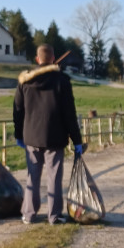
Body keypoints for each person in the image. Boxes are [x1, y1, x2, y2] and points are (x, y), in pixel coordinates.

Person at [13, 43, 83, 224]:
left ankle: (29, 214)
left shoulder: (25, 81)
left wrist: (18, 134)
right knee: (54, 177)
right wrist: (77, 140)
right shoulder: (62, 80)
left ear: (37, 59)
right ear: (53, 58)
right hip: (55, 136)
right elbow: (69, 113)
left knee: (32, 176)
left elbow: (18, 110)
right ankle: (54, 215)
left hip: (31, 136)